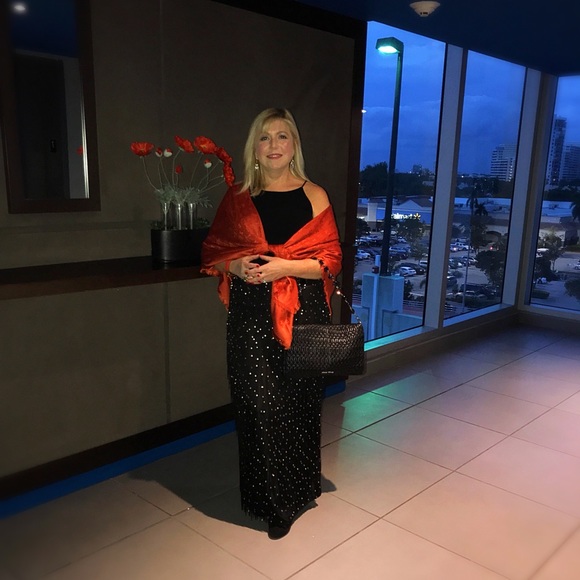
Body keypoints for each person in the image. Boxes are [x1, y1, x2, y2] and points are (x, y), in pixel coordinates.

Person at [201, 108, 342, 539]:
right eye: (265, 137)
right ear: (255, 148)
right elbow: (212, 254)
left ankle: (300, 489)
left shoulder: (315, 194)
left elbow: (330, 261)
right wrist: (235, 265)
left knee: (301, 403)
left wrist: (285, 266)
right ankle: (270, 502)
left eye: (283, 136)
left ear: (294, 145)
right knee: (257, 406)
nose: (274, 144)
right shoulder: (238, 196)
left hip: (304, 310)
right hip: (250, 313)